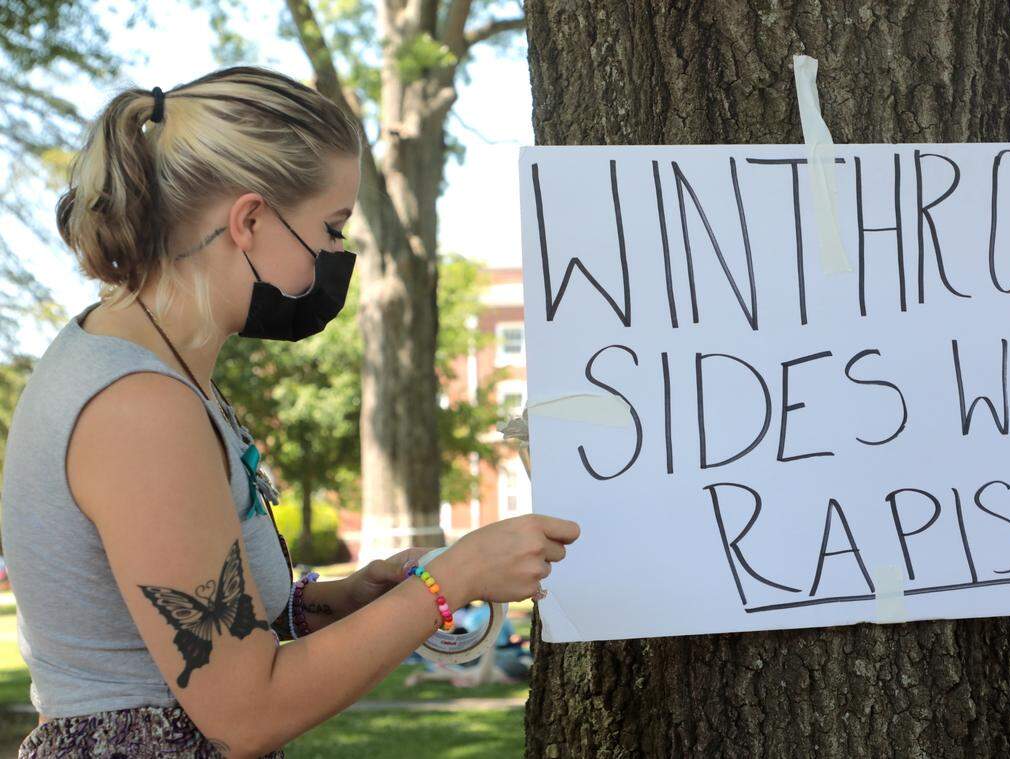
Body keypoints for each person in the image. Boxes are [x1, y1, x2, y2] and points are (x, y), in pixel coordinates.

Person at [0, 65, 580, 758]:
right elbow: (245, 713)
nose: (336, 257)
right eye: (332, 229)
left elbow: (210, 631)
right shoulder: (139, 407)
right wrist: (448, 581)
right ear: (249, 220)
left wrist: (348, 596)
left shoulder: (156, 366)